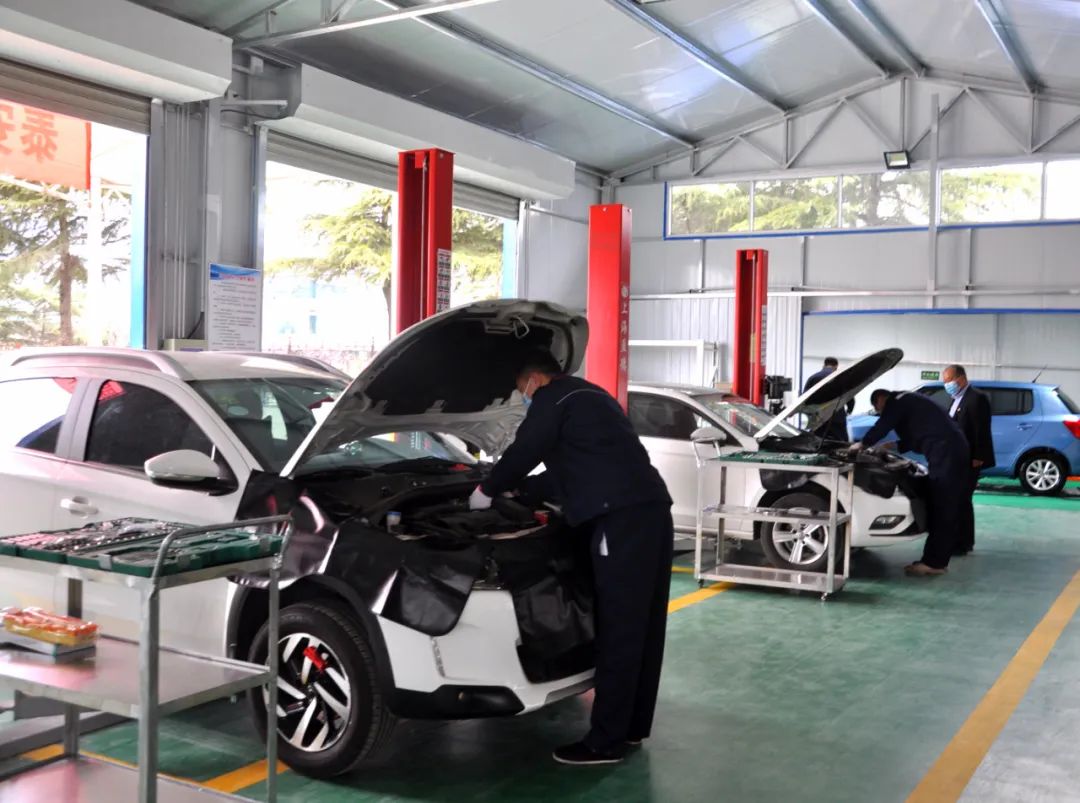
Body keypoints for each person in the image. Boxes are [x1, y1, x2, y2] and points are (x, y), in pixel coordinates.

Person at [469, 349, 673, 766]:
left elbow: (525, 450)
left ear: (534, 380)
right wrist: (523, 492)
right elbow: (573, 469)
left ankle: (604, 743)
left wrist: (487, 489)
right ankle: (631, 727)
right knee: (644, 627)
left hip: (619, 521)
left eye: (522, 390)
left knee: (619, 629)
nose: (524, 398)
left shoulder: (553, 399)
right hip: (651, 511)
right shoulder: (591, 396)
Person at [852, 389, 970, 576]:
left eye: (879, 409)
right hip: (951, 450)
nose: (882, 412)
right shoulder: (910, 400)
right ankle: (937, 559)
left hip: (946, 454)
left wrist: (862, 444)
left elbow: (883, 425)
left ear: (881, 399)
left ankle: (934, 563)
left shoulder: (896, 402)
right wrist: (893, 445)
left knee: (943, 507)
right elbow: (918, 435)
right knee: (944, 504)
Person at [942, 364, 995, 556]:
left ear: (961, 378)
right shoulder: (956, 399)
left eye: (949, 380)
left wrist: (978, 456)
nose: (946, 384)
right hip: (956, 458)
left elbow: (981, 429)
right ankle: (960, 540)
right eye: (945, 381)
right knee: (958, 499)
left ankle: (962, 543)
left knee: (962, 499)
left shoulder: (976, 398)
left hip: (969, 458)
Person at [803, 357, 855, 442]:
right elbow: (850, 396)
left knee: (817, 442)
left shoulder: (813, 378)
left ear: (824, 365)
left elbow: (805, 399)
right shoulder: (842, 377)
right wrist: (849, 410)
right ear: (836, 366)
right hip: (837, 417)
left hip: (818, 417)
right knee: (839, 443)